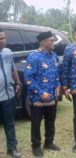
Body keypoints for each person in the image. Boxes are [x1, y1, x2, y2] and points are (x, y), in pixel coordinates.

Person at [24, 31, 61, 157]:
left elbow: (57, 74)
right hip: (38, 98)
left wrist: (58, 86)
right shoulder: (34, 57)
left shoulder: (54, 56)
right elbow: (28, 78)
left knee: (50, 121)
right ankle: (36, 146)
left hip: (52, 96)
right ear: (43, 42)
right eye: (51, 40)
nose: (53, 42)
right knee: (36, 123)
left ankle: (49, 142)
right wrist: (40, 93)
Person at [0, 29, 22, 158]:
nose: (3, 41)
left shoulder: (8, 52)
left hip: (8, 95)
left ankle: (12, 148)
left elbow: (13, 69)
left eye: (4, 38)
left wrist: (18, 83)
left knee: (10, 123)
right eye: (0, 39)